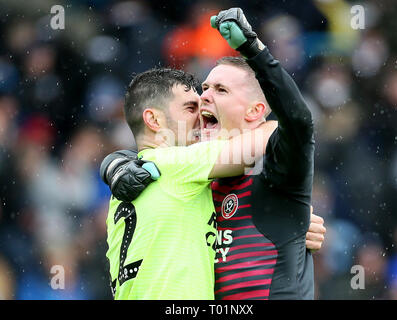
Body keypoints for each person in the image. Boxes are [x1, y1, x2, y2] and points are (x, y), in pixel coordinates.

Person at [101, 8, 325, 299]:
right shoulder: (192, 179)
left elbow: (298, 123)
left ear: (255, 110)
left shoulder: (275, 165)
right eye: (203, 89)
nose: (204, 96)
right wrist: (115, 162)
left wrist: (254, 49)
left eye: (220, 90)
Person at [105, 67, 277, 300]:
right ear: (154, 119)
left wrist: (290, 220)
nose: (201, 116)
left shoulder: (133, 183)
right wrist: (271, 122)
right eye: (190, 108)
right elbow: (268, 140)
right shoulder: (177, 165)